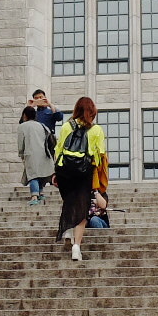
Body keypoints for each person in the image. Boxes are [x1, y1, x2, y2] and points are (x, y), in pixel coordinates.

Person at [51, 96, 107, 262]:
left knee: (69, 202)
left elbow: (58, 149)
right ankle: (76, 247)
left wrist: (55, 173)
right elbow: (100, 155)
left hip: (64, 172)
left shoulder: (67, 126)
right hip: (84, 171)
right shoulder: (96, 130)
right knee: (81, 210)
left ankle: (68, 231)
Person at [16, 105, 54, 203]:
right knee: (40, 174)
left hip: (30, 153)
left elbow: (21, 142)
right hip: (44, 153)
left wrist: (21, 154)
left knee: (32, 175)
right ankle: (41, 193)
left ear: (24, 115)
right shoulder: (42, 125)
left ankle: (34, 196)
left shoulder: (22, 126)